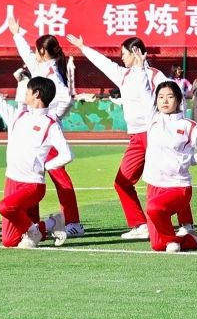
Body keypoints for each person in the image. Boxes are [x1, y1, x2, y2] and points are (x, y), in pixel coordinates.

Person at [0, 49, 70, 249]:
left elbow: (67, 154)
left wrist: (46, 165)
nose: (24, 94)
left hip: (32, 185)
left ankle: (34, 232)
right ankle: (52, 223)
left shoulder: (50, 123)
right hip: (12, 181)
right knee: (10, 241)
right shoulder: (17, 116)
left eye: (28, 91)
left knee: (4, 206)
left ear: (36, 94)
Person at [66, 32, 158, 237]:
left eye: (124, 53)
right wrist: (83, 47)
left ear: (135, 52)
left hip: (153, 133)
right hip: (136, 137)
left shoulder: (154, 75)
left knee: (161, 180)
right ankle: (140, 225)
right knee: (122, 182)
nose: (121, 58)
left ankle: (182, 225)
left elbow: (169, 96)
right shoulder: (122, 74)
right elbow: (103, 63)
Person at [7, 17, 80, 235]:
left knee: (59, 177)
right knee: (33, 176)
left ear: (42, 51)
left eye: (36, 49)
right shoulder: (41, 66)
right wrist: (16, 34)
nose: (33, 52)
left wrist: (52, 118)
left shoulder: (51, 73)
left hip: (46, 131)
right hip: (37, 130)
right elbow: (26, 55)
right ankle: (34, 224)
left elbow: (66, 98)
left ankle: (73, 222)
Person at [141, 80, 197, 252]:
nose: (164, 101)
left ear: (179, 100)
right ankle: (193, 241)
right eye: (160, 97)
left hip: (178, 187)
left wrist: (188, 160)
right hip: (154, 186)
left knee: (153, 208)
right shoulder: (152, 120)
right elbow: (143, 89)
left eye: (170, 97)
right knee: (157, 245)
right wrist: (139, 68)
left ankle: (172, 241)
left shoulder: (188, 126)